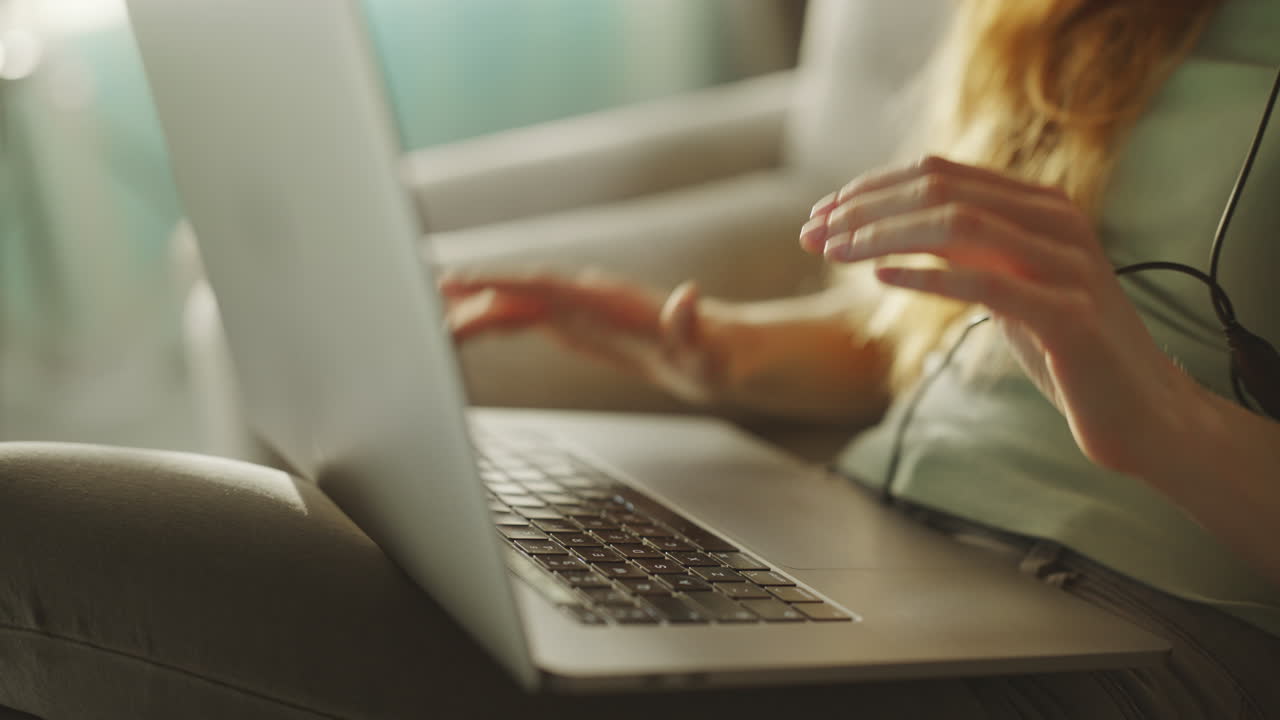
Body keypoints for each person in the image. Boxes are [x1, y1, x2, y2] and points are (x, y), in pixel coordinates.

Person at [0, 0, 1277, 718]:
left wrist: (1159, 420)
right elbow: (937, 347)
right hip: (873, 537)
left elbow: (1123, 391)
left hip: (1139, 634)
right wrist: (692, 344)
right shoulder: (1073, 18)